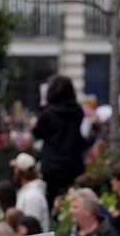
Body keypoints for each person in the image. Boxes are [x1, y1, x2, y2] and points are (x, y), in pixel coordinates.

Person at [32, 74, 86, 203]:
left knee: (50, 200)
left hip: (52, 165)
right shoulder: (77, 110)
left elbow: (37, 132)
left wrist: (43, 108)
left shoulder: (48, 112)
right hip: (73, 163)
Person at [13, 153, 50, 232]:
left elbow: (31, 228)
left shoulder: (32, 195)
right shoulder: (27, 191)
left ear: (21, 172)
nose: (14, 172)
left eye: (15, 168)